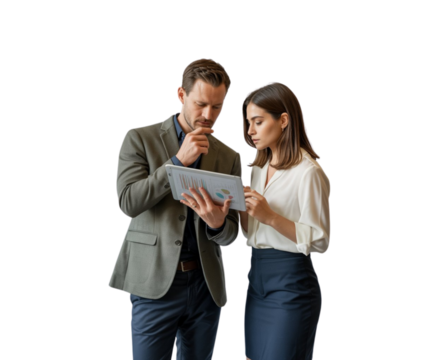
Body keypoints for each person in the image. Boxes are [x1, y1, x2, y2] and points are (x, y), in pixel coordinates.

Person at [109, 57, 242, 360]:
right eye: (201, 104)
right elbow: (129, 202)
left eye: (217, 107)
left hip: (205, 287)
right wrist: (177, 162)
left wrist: (218, 224)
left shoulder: (228, 156)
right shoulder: (139, 138)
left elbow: (230, 235)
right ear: (181, 95)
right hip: (153, 282)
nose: (209, 115)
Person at [239, 81, 331, 360]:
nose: (250, 131)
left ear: (283, 120)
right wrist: (240, 210)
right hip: (257, 281)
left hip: (292, 285)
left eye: (258, 121)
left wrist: (270, 216)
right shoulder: (258, 169)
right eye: (248, 123)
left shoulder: (309, 172)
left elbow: (320, 241)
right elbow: (254, 232)